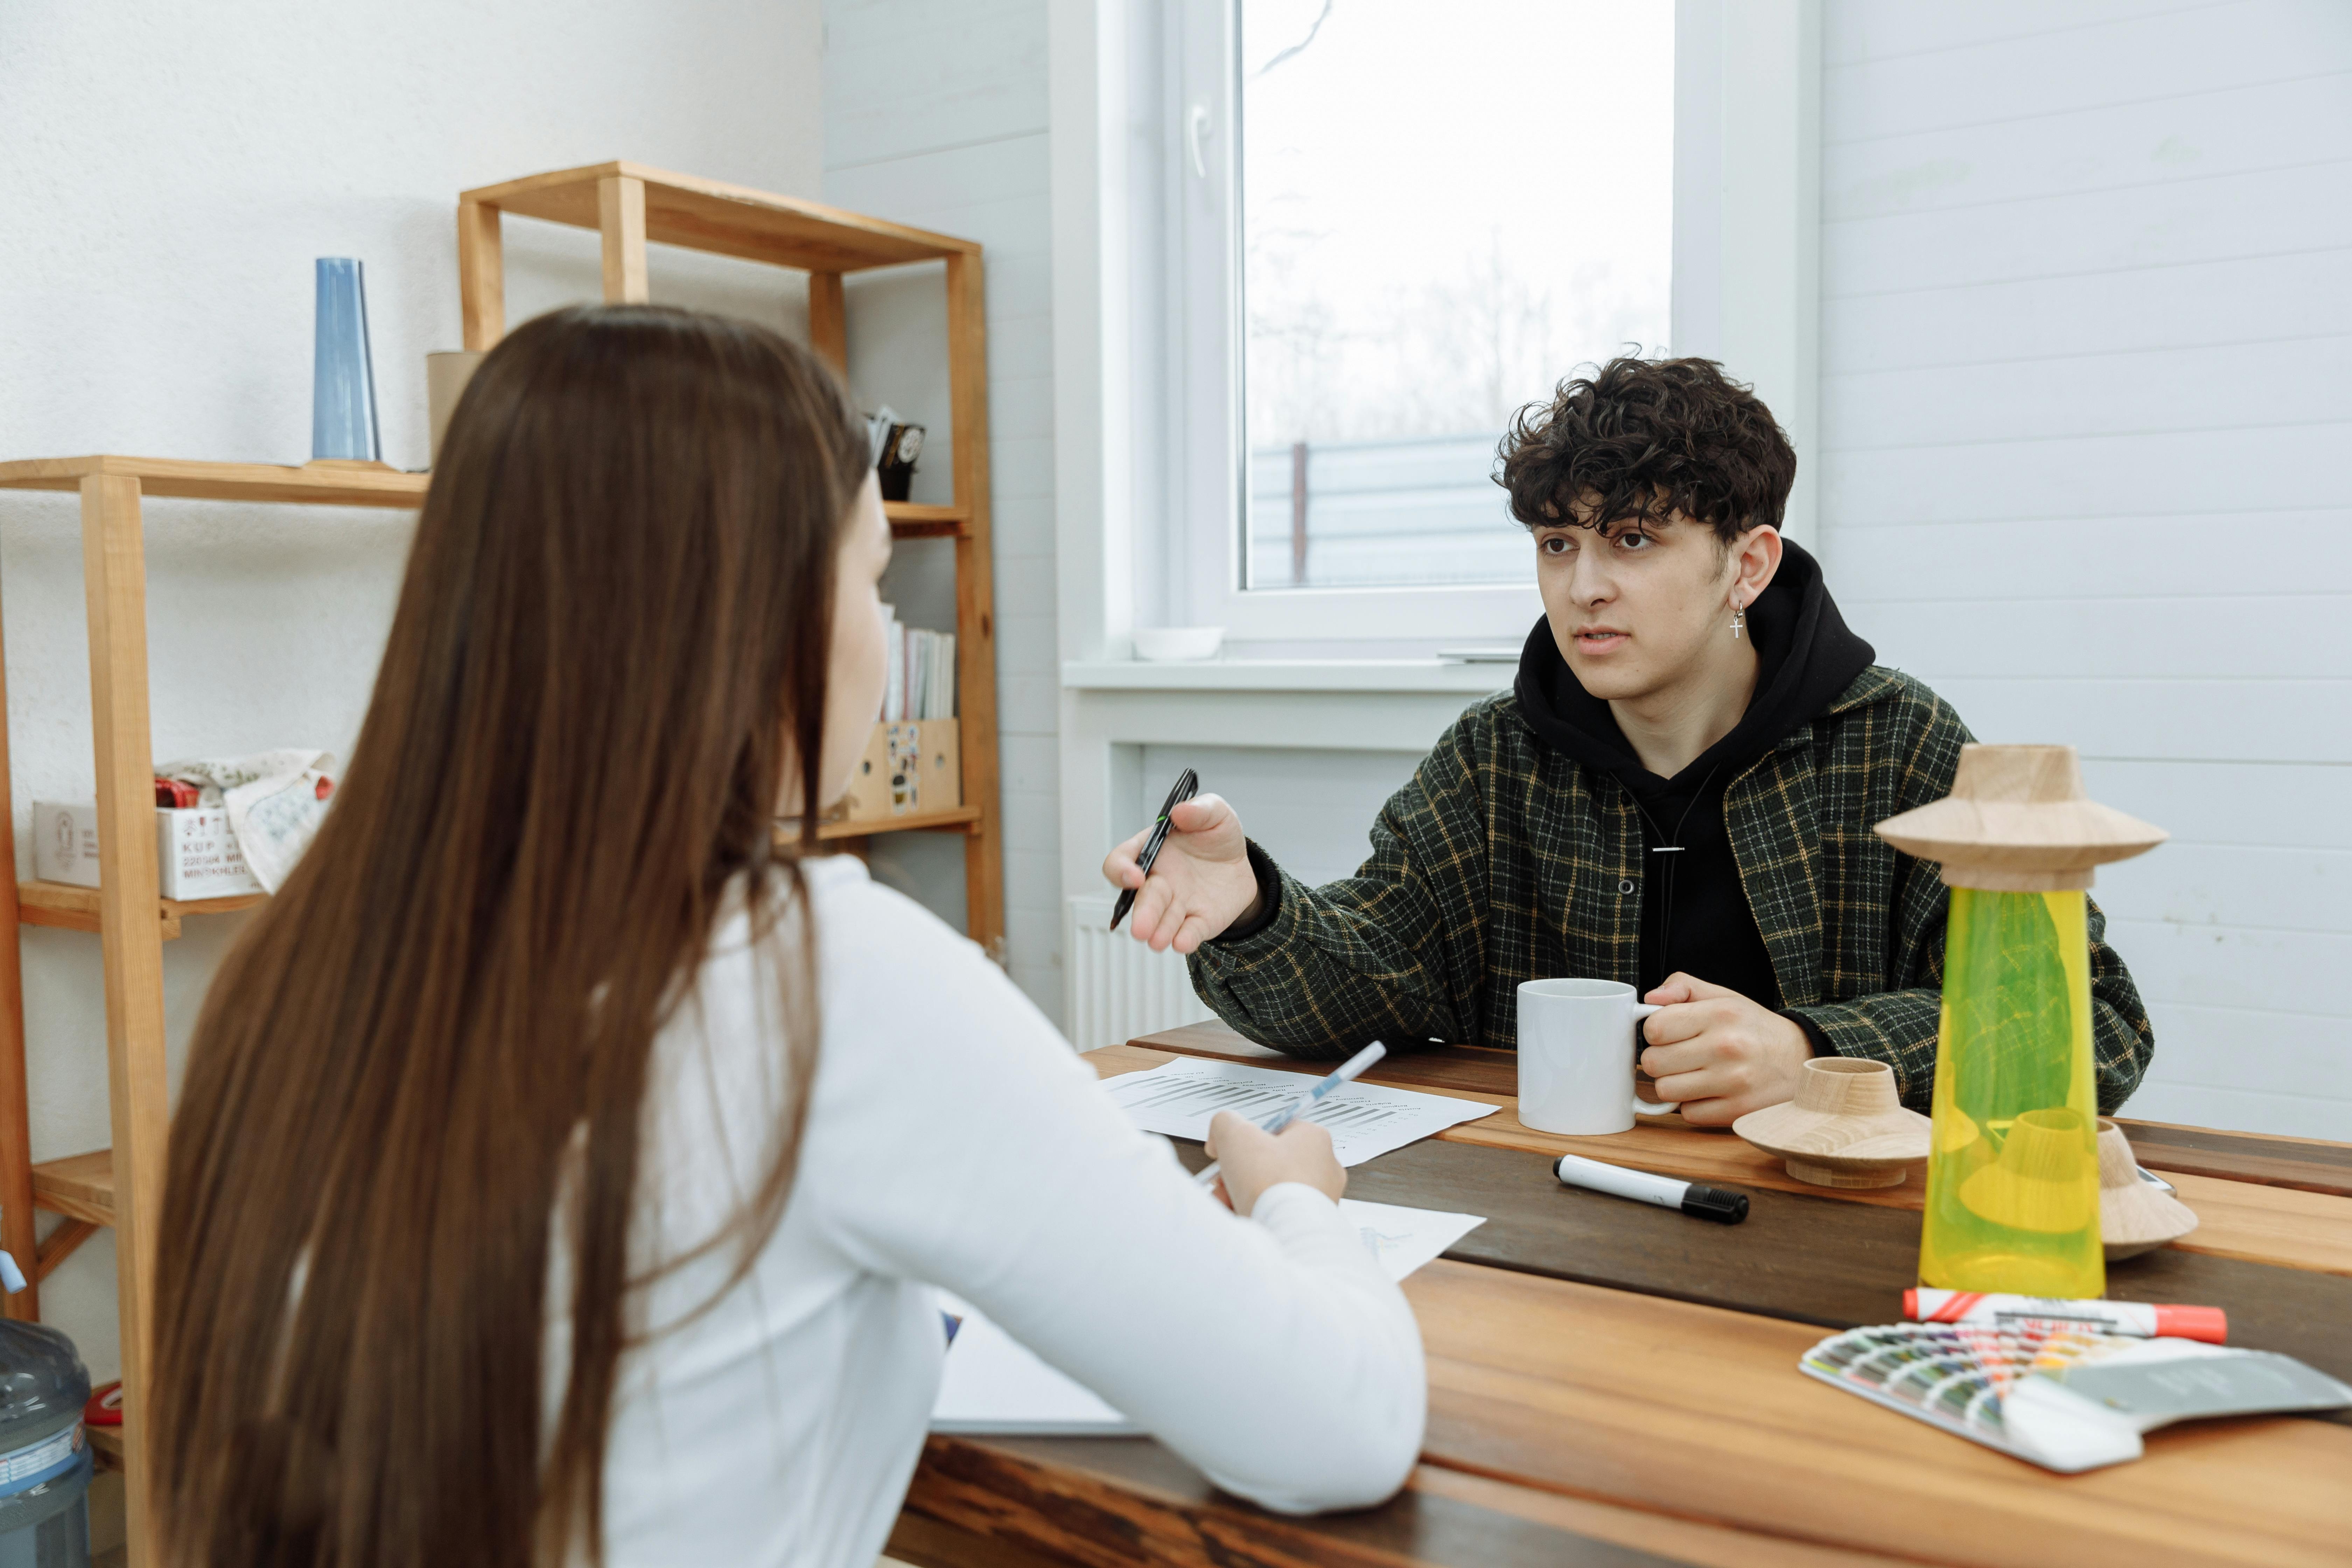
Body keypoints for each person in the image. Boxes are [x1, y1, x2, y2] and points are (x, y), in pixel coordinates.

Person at [151, 307, 1422, 1568]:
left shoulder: (297, 966)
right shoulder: (824, 974)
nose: (882, 635)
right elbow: (1340, 1425)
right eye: (871, 579)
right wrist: (1303, 1208)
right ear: (746, 617)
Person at [1106, 356, 2152, 1121]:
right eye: (1558, 543)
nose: (1583, 586)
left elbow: (2089, 1027)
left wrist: (1817, 1056)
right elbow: (1373, 979)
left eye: (1634, 540)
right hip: (1554, 1220)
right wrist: (1248, 908)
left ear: (1747, 566)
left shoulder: (1896, 744)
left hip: (1819, 1231)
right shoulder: (1494, 757)